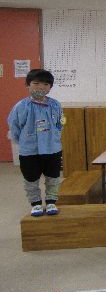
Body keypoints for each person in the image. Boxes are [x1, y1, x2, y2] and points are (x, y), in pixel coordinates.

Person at [7, 69, 65, 217]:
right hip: (29, 151)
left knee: (53, 177)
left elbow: (60, 123)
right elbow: (14, 127)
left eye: (46, 84)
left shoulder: (55, 105)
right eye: (36, 83)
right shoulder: (21, 106)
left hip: (52, 149)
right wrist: (24, 141)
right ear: (28, 85)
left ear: (50, 87)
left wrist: (55, 137)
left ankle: (51, 201)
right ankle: (36, 203)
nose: (41, 87)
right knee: (31, 178)